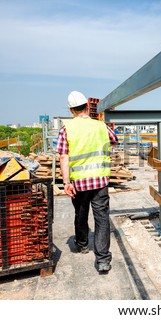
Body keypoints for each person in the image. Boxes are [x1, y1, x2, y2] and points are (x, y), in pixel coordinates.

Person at [57, 91, 118, 273]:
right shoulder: (100, 126)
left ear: (71, 110)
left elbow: (63, 157)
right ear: (86, 106)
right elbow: (114, 140)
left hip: (78, 182)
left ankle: (82, 244)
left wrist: (66, 182)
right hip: (100, 180)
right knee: (102, 218)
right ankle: (103, 260)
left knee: (81, 214)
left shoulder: (66, 128)